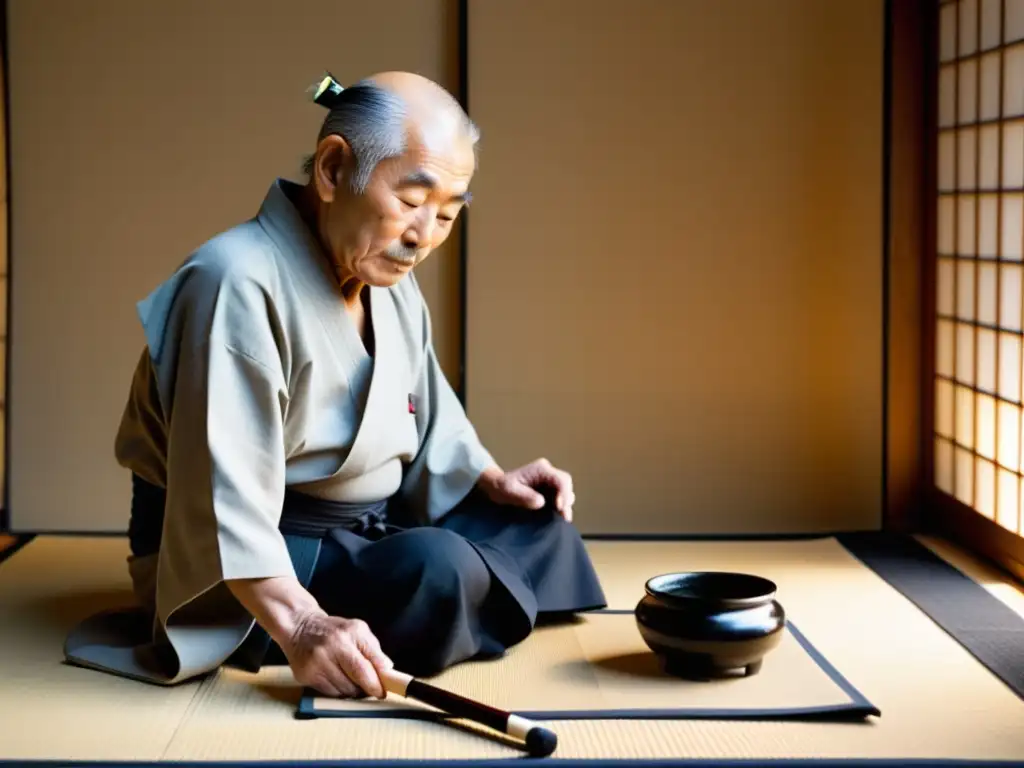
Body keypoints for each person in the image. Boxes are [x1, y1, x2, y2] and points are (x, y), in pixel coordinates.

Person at [63, 71, 606, 699]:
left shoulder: (388, 280)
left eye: (448, 214)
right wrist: (303, 625)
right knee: (442, 570)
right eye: (411, 201)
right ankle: (419, 603)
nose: (423, 237)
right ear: (332, 169)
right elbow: (220, 498)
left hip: (365, 525)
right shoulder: (232, 281)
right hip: (249, 555)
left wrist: (488, 478)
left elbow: (428, 412)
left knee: (541, 525)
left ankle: (459, 592)